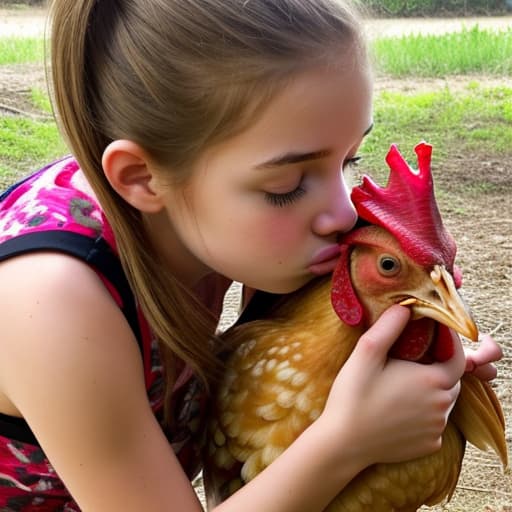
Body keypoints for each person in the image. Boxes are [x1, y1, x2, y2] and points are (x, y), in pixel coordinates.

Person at [0, 0, 503, 510]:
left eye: (350, 159)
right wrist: (347, 440)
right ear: (141, 178)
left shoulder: (214, 220)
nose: (343, 213)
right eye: (287, 184)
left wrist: (411, 348)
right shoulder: (52, 306)